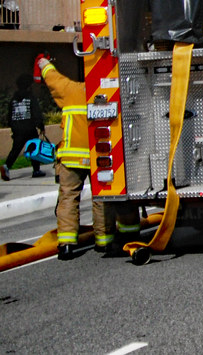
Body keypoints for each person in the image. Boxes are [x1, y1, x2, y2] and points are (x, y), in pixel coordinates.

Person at [35, 54, 140, 260]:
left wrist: (42, 62)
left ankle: (66, 244)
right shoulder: (105, 92)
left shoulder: (69, 90)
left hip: (71, 157)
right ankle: (104, 241)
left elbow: (51, 76)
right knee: (101, 198)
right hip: (97, 156)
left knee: (68, 198)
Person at [2, 73, 47, 180]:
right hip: (30, 127)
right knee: (33, 147)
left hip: (17, 128)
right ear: (28, 85)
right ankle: (36, 170)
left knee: (16, 149)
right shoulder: (30, 97)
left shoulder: (13, 99)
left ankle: (6, 166)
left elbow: (9, 115)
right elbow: (36, 113)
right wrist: (40, 125)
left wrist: (12, 126)